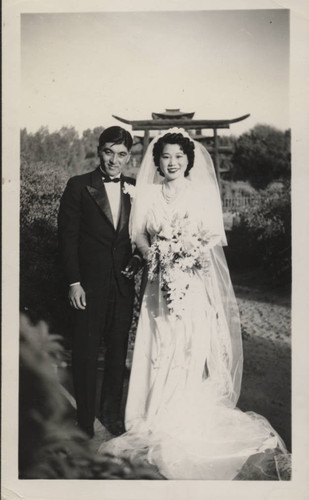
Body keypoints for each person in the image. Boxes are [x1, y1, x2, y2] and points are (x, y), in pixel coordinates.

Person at [98, 128, 287, 480]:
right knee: (159, 343)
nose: (172, 163)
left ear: (188, 161)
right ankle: (150, 415)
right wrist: (153, 252)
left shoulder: (201, 193)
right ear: (158, 160)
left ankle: (183, 414)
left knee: (187, 345)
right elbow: (138, 232)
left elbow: (212, 237)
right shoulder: (149, 194)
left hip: (192, 281)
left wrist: (187, 254)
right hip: (157, 281)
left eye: (179, 157)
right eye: (166, 157)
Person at [58, 126, 141, 438]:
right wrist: (74, 283)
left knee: (118, 353)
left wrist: (136, 261)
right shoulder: (79, 186)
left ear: (129, 157)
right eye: (109, 152)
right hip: (87, 287)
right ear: (98, 151)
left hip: (122, 285)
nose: (114, 160)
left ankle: (111, 416)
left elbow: (139, 237)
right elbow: (66, 239)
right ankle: (84, 421)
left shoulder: (135, 188)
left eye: (121, 154)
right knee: (85, 352)